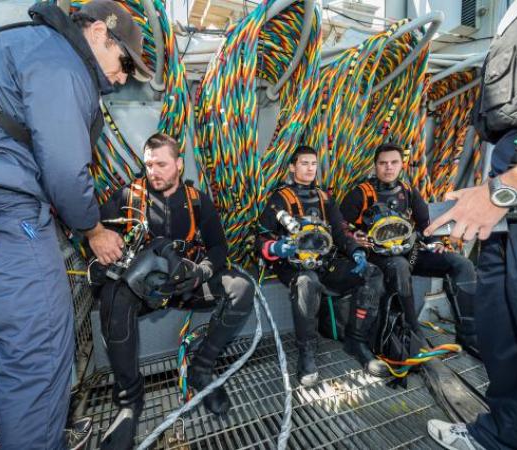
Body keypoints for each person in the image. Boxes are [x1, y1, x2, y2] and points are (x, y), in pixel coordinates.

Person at [0, 1, 152, 448]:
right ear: (100, 32)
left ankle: (21, 435)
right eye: (125, 63)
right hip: (4, 214)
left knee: (0, 348)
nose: (123, 78)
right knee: (41, 352)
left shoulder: (23, 46)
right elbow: (66, 171)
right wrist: (94, 230)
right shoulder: (62, 65)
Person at [92, 133, 254, 450]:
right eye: (149, 164)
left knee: (241, 288)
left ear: (178, 164)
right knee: (112, 295)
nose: (154, 171)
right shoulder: (127, 195)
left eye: (162, 164)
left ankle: (202, 369)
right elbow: (99, 236)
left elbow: (219, 246)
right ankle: (129, 400)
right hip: (145, 290)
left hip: (187, 283)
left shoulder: (196, 199)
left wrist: (202, 271)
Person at [257, 145, 389, 386]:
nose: (310, 168)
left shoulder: (325, 198)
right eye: (304, 163)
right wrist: (276, 248)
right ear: (292, 167)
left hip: (325, 262)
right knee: (308, 282)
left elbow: (340, 231)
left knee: (372, 273)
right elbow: (260, 237)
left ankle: (357, 341)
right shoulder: (280, 199)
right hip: (294, 267)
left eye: (314, 164)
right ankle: (307, 352)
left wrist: (357, 252)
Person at [425, 130, 517, 450]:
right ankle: (499, 436)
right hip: (506, 213)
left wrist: (508, 186)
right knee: (501, 332)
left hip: (508, 192)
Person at [340, 143, 478, 357]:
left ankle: (468, 335)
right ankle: (415, 330)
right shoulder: (360, 194)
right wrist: (354, 238)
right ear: (375, 165)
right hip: (378, 259)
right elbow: (340, 228)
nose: (388, 167)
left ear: (401, 165)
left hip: (410, 253)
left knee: (461, 264)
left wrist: (435, 243)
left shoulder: (407, 191)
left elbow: (425, 225)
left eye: (394, 162)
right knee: (399, 265)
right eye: (383, 163)